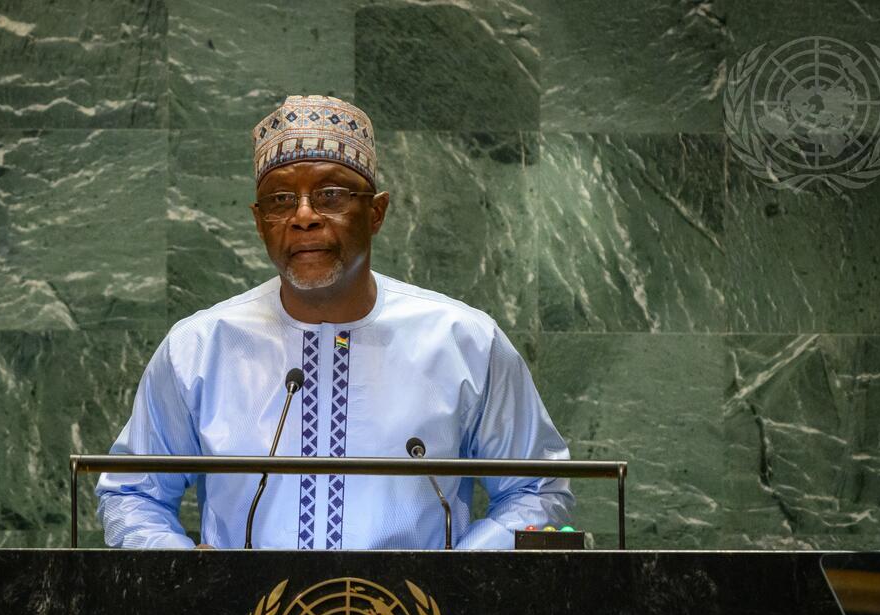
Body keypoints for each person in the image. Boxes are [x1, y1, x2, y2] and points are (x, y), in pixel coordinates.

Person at [97, 95, 574, 550]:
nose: (304, 217)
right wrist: (189, 573)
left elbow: (538, 489)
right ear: (259, 221)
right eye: (281, 200)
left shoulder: (463, 342)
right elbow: (132, 494)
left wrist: (454, 577)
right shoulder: (200, 347)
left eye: (330, 194)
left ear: (377, 212)